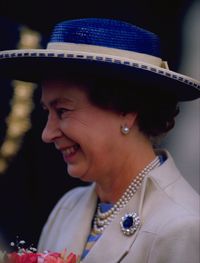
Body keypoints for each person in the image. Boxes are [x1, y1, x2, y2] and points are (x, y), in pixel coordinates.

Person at [0, 18, 199, 263]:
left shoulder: (182, 227)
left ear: (127, 109)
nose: (47, 133)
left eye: (62, 111)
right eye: (46, 113)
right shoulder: (68, 208)